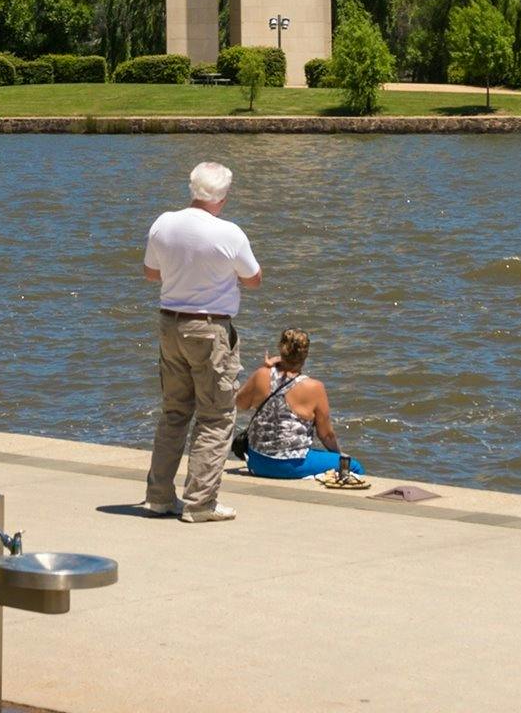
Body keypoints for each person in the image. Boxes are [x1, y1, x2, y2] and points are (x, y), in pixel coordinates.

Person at [141, 160, 261, 523]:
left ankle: (159, 497)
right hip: (210, 329)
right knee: (216, 415)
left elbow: (150, 273)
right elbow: (254, 279)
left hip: (169, 324)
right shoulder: (229, 233)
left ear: (192, 189)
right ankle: (200, 502)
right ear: (222, 197)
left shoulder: (163, 223)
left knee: (174, 413)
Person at [236, 329, 363, 479]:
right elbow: (326, 435)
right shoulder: (314, 387)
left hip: (257, 463)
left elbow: (240, 404)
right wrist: (338, 456)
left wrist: (267, 367)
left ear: (280, 348)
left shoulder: (262, 374)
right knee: (354, 466)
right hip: (291, 465)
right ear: (305, 354)